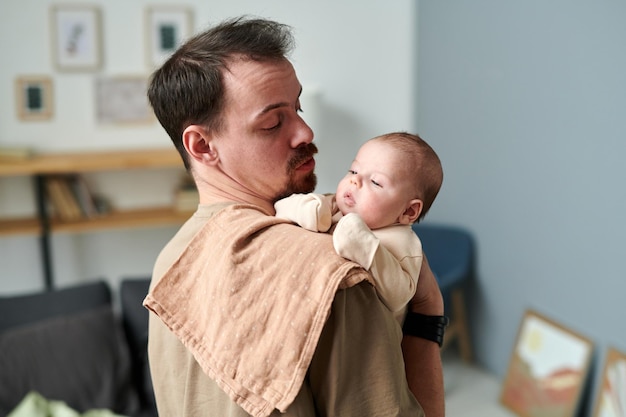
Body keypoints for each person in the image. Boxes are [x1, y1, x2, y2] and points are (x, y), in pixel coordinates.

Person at [142, 16, 446, 417]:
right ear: (202, 145)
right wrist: (428, 311)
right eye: (272, 122)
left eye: (298, 107)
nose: (305, 132)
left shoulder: (171, 262)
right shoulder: (333, 271)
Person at [274, 132, 443, 323]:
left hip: (368, 335)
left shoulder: (403, 243)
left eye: (375, 182)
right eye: (353, 171)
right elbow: (279, 208)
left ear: (409, 211)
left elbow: (398, 297)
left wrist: (362, 243)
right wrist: (308, 209)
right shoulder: (333, 205)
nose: (355, 181)